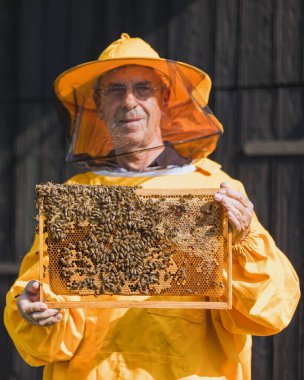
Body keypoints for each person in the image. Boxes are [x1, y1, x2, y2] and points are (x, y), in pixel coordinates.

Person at [5, 33, 300, 380]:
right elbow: (47, 332)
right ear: (98, 105)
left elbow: (268, 312)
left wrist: (245, 240)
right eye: (115, 90)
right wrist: (33, 307)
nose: (129, 101)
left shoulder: (213, 189)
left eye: (143, 89)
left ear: (165, 100)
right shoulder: (78, 198)